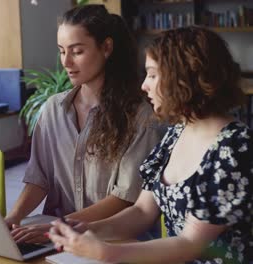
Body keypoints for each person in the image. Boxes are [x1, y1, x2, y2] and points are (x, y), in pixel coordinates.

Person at [49, 26, 253, 264]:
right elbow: (142, 212)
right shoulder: (177, 133)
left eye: (153, 75)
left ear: (185, 77)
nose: (144, 85)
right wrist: (88, 229)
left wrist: (106, 252)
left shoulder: (236, 147)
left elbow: (190, 244)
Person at [6, 4, 164, 243]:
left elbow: (125, 198)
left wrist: (61, 227)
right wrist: (13, 217)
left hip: (116, 240)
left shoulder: (141, 118)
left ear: (107, 47)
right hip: (58, 238)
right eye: (61, 51)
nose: (66, 62)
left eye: (77, 51)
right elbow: (39, 178)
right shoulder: (52, 110)